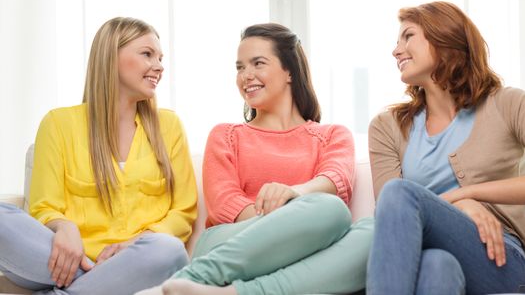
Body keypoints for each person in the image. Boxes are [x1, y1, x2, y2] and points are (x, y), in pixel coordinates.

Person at [138, 23, 374, 295]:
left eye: (257, 63)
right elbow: (225, 205)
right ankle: (193, 276)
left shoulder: (332, 135)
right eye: (240, 67)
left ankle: (232, 293)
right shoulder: (226, 135)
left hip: (309, 243)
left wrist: (292, 193)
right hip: (230, 245)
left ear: (289, 71)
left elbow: (335, 180)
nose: (246, 76)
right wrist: (286, 222)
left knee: (373, 232)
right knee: (330, 210)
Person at [0, 17, 198, 294]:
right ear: (111, 57)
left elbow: (184, 210)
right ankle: (97, 284)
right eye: (147, 54)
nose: (159, 66)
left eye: (160, 57)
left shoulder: (170, 126)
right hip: (62, 258)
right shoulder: (58, 123)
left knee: (169, 249)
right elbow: (44, 206)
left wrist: (134, 244)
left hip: (137, 261)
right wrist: (63, 227)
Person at [366, 1, 525, 294]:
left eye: (408, 36)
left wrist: (469, 193)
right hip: (433, 253)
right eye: (396, 41)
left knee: (402, 193)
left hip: (503, 257)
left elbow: (403, 198)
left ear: (444, 38)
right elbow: (390, 215)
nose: (396, 50)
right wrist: (460, 206)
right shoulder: (386, 127)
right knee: (437, 266)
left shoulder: (507, 103)